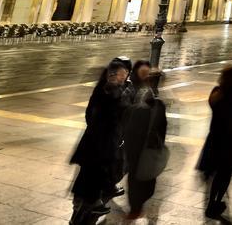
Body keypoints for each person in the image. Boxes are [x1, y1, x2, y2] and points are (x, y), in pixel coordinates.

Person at [70, 60, 129, 224]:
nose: (124, 78)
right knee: (90, 175)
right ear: (112, 75)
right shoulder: (108, 92)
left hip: (102, 143)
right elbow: (96, 116)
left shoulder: (110, 90)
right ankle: (83, 207)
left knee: (93, 175)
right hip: (98, 143)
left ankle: (86, 205)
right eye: (122, 75)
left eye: (125, 75)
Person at [197, 67, 232, 219]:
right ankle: (216, 202)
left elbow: (213, 106)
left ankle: (211, 202)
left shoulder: (217, 93)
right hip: (231, 142)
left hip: (215, 139)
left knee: (216, 174)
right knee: (224, 175)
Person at [123, 61, 167, 220]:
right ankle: (135, 207)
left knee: (145, 177)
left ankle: (137, 205)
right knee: (136, 176)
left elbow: (162, 127)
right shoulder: (139, 95)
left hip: (146, 144)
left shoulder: (158, 102)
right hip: (137, 143)